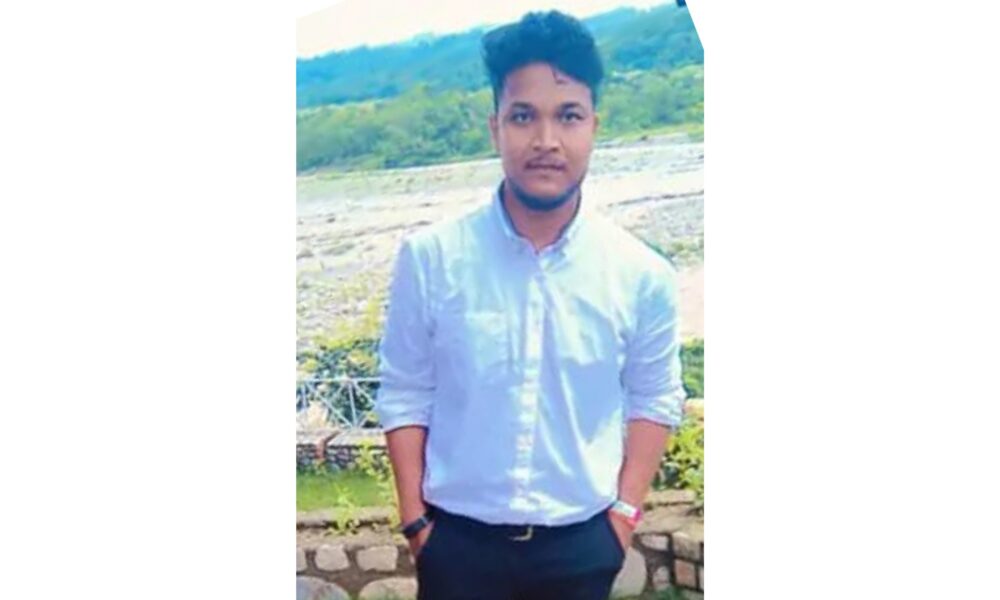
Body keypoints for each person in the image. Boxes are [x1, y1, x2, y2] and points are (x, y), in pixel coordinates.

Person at [374, 10, 685, 600]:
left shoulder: (640, 274)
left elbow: (655, 396)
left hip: (582, 547)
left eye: (568, 115)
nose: (546, 141)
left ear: (594, 126)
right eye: (523, 116)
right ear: (495, 127)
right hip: (457, 548)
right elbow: (405, 391)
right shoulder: (432, 257)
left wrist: (622, 518)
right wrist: (417, 524)